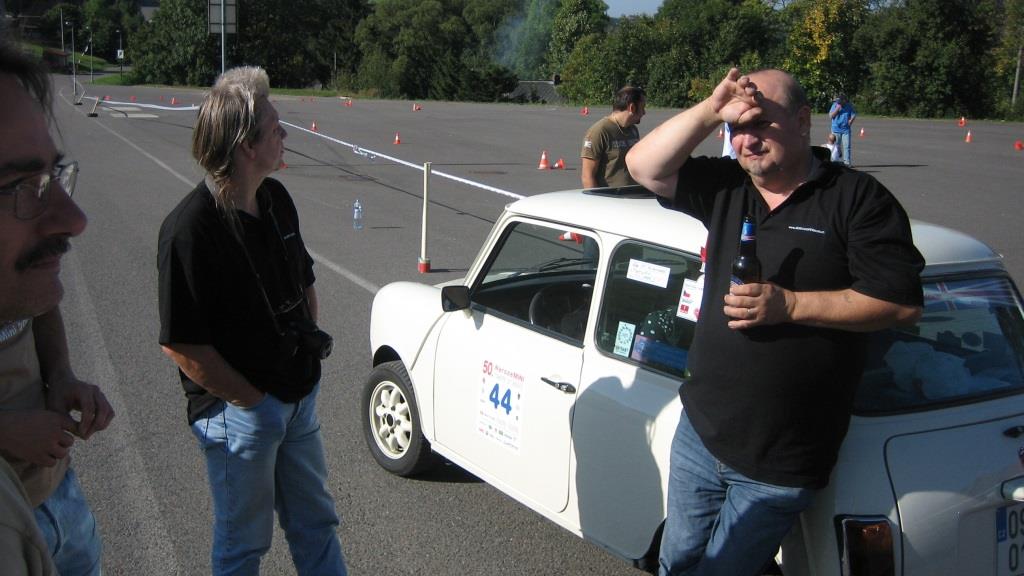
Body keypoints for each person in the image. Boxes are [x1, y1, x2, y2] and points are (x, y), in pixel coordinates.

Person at [626, 68, 924, 576]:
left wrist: (791, 306)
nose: (746, 139)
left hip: (781, 459)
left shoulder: (856, 198)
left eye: (760, 123)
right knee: (677, 562)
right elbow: (642, 165)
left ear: (803, 121)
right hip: (702, 433)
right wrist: (711, 109)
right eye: (736, 128)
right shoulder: (728, 186)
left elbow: (900, 303)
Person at [157, 66, 347, 576]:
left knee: (316, 524)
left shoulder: (276, 200)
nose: (285, 135)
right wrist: (254, 403)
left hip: (297, 397)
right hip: (239, 412)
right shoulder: (189, 230)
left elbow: (303, 282)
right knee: (243, 545)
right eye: (275, 128)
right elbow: (181, 344)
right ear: (246, 146)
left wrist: (303, 363)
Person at [0, 41, 114, 576]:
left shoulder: (14, 281)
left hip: (57, 492)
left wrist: (62, 374)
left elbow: (38, 300)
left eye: (52, 176)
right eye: (20, 186)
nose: (74, 219)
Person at [580, 86, 646, 188]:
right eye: (642, 107)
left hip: (632, 195)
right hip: (610, 196)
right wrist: (595, 198)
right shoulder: (599, 131)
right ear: (632, 108)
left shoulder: (633, 130)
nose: (644, 112)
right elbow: (587, 176)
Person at [829, 92, 856, 166]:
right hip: (836, 129)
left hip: (846, 130)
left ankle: (847, 163)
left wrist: (851, 120)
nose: (839, 103)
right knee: (836, 147)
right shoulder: (835, 105)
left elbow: (853, 114)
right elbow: (831, 116)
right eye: (838, 101)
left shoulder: (849, 106)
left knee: (847, 146)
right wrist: (837, 109)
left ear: (844, 101)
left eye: (841, 102)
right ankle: (835, 161)